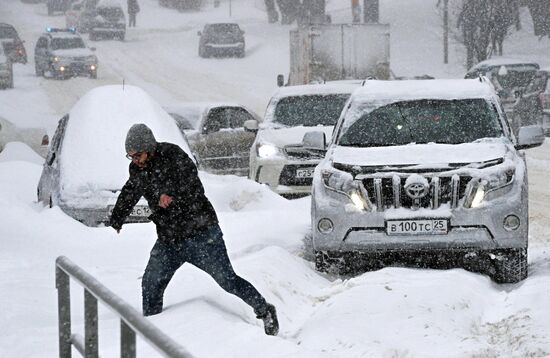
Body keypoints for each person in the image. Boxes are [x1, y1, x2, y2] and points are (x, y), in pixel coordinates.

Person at [109, 124, 279, 336]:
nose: (135, 161)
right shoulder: (137, 169)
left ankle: (264, 310)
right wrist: (117, 218)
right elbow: (131, 190)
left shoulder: (173, 156)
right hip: (169, 239)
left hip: (201, 234)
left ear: (149, 148)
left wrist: (172, 196)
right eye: (131, 157)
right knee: (151, 283)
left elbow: (194, 188)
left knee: (228, 281)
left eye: (138, 155)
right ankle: (153, 334)